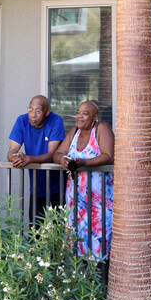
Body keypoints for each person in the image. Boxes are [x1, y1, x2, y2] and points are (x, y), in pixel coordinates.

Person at [54, 100, 114, 260]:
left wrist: (83, 162)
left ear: (95, 116)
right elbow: (58, 153)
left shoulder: (101, 129)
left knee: (100, 245)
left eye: (85, 113)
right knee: (76, 244)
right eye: (78, 112)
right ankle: (79, 281)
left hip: (99, 202)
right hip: (76, 200)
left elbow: (108, 156)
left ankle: (101, 282)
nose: (79, 116)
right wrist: (63, 160)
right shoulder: (74, 132)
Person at [7, 95, 65, 222]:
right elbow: (11, 151)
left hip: (58, 184)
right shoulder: (22, 121)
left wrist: (28, 159)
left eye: (38, 111)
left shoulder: (55, 121)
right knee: (35, 230)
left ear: (47, 112)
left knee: (59, 229)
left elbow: (52, 154)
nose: (33, 115)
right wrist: (16, 158)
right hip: (37, 185)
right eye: (30, 109)